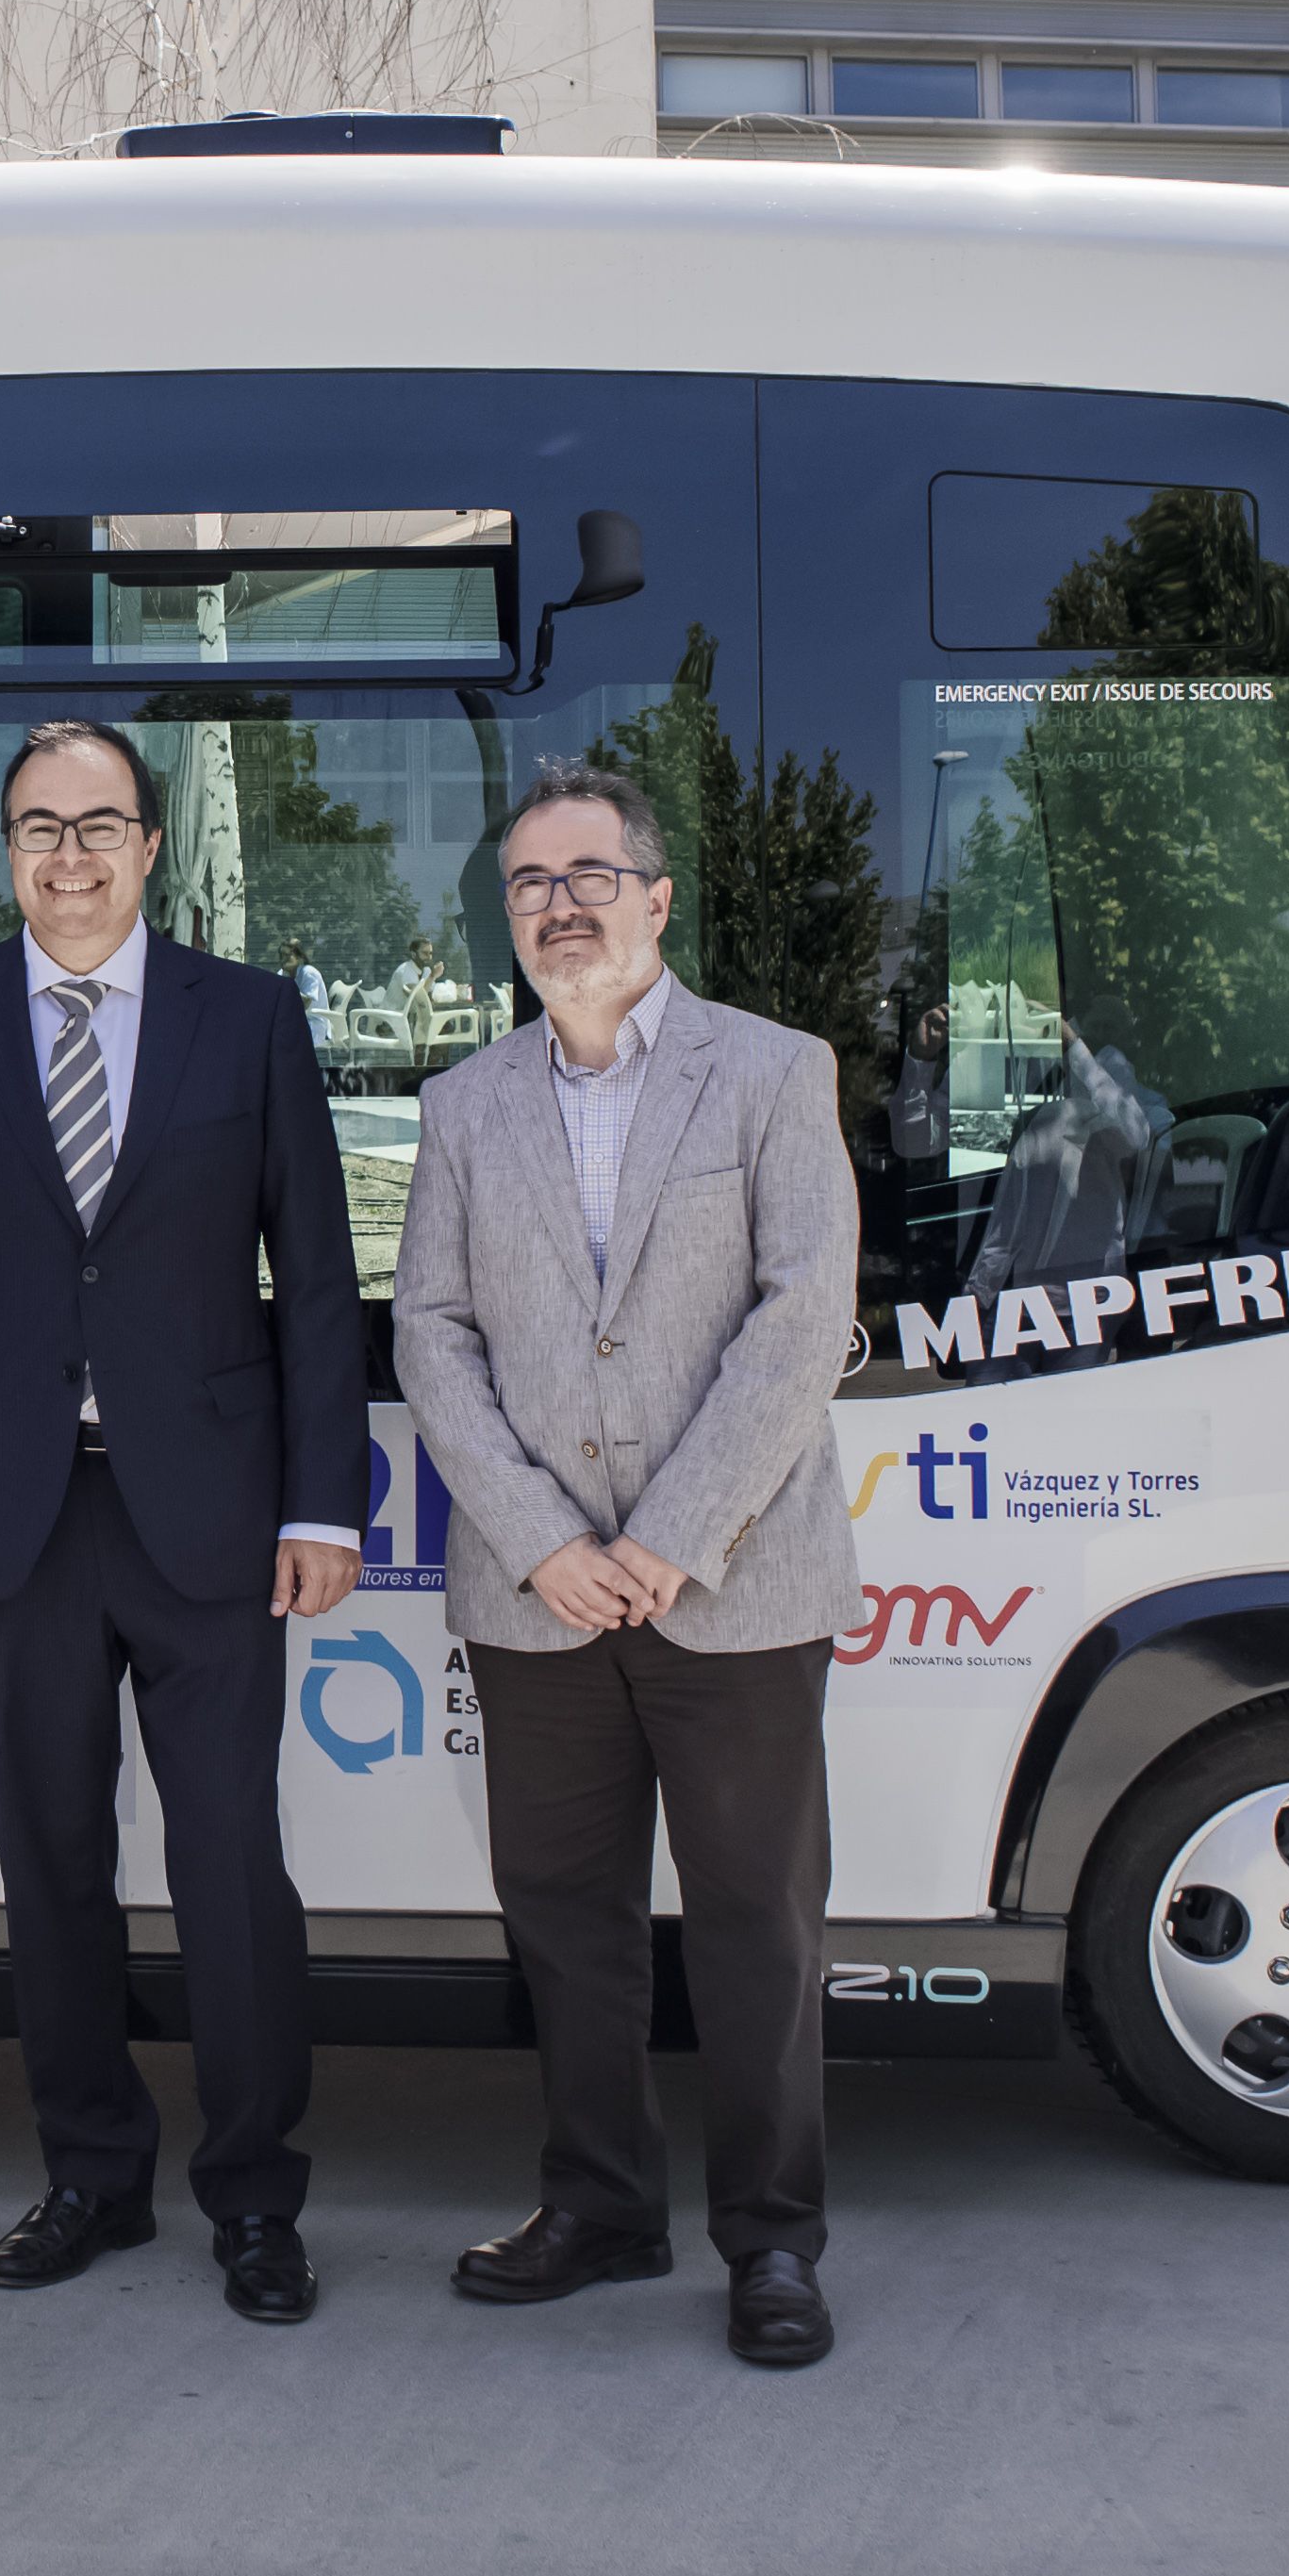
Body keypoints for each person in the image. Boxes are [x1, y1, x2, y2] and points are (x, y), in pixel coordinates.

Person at [0, 719, 365, 2325]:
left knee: (230, 1872)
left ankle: (257, 2200)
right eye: (35, 827)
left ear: (148, 844)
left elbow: (321, 1283)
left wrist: (323, 1496)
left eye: (98, 824)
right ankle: (91, 2176)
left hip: (206, 1511)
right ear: (5, 850)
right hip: (9, 1516)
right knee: (49, 1863)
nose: (67, 854)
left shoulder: (250, 1018)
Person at [390, 756, 858, 2371]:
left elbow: (805, 1322)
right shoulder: (464, 1106)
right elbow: (431, 1339)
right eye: (529, 882)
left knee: (756, 1923)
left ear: (657, 899)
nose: (560, 905)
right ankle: (597, 2203)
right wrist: (543, 1541)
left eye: (589, 874)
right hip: (539, 1597)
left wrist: (665, 1539)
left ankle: (772, 2242)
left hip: (732, 1583)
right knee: (567, 1916)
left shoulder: (776, 1074)